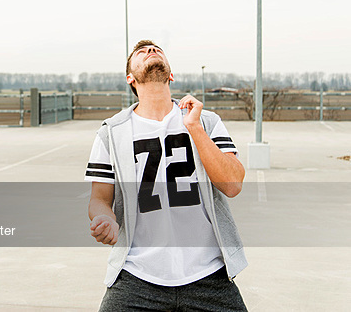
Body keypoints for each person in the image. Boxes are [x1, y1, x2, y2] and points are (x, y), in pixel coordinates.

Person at [85, 40, 248, 311]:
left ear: (170, 75)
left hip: (208, 275)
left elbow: (233, 185)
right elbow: (99, 198)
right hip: (137, 276)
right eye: (141, 52)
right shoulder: (111, 134)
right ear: (130, 78)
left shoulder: (206, 120)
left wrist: (194, 128)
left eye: (157, 50)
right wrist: (104, 217)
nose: (151, 51)